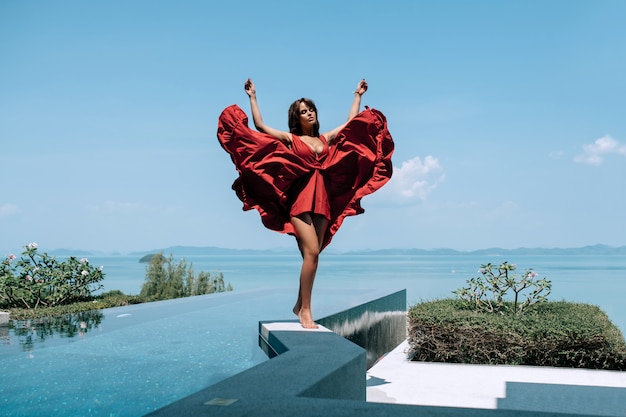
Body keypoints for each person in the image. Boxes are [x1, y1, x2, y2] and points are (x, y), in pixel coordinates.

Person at [217, 79, 393, 328]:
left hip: (322, 201)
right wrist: (253, 97)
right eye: (303, 111)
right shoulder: (291, 139)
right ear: (296, 118)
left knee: (312, 255)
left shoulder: (325, 139)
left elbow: (351, 125)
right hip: (299, 202)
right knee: (311, 252)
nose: (309, 113)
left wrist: (357, 96)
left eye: (310, 109)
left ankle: (299, 304)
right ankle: (306, 311)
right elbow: (260, 126)